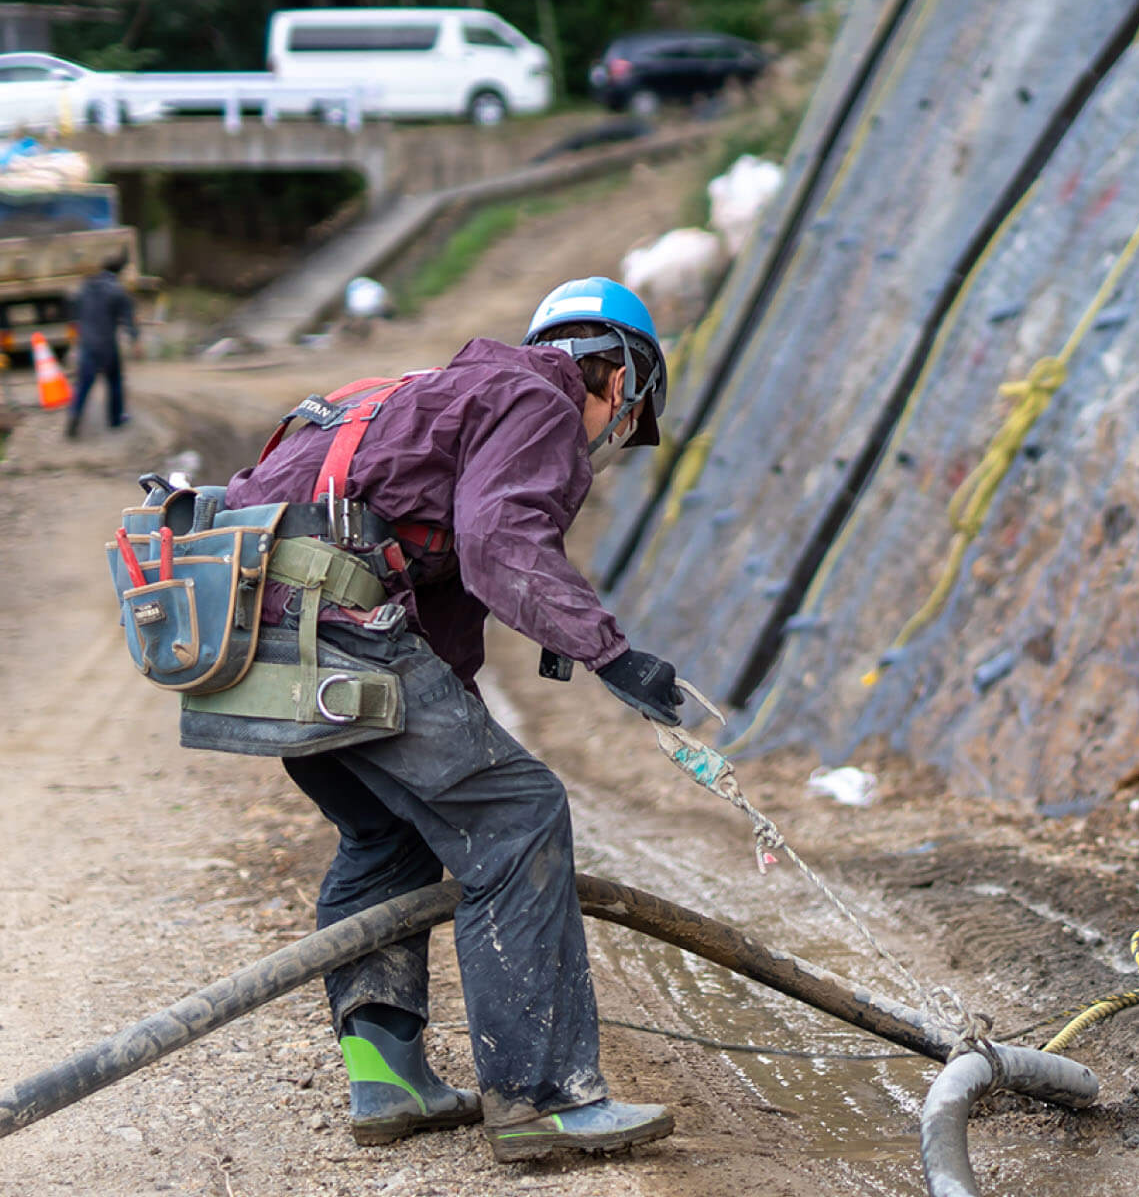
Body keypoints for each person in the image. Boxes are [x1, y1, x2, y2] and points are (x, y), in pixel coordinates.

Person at [185, 277, 689, 1161]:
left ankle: (388, 1081)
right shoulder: (541, 396)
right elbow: (500, 541)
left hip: (252, 645)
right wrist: (613, 654)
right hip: (332, 632)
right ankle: (542, 1100)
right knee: (518, 812)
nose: (612, 434)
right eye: (626, 413)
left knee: (390, 835)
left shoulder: (436, 399)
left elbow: (445, 610)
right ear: (621, 377)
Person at [65, 249, 138, 438]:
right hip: (107, 345)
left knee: (83, 383)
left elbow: (73, 307)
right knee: (114, 381)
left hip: (87, 344)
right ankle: (115, 418)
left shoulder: (86, 287)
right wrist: (135, 340)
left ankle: (74, 414)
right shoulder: (118, 291)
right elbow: (129, 319)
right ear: (119, 272)